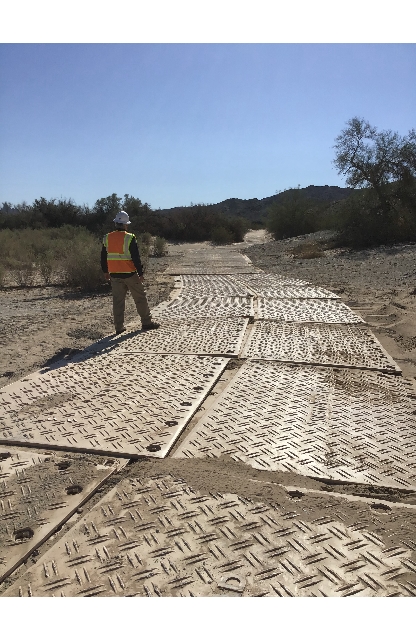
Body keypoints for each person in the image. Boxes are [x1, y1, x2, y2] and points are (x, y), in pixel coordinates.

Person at [101, 211, 160, 335]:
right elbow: (136, 257)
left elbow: (103, 256)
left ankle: (119, 327)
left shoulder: (107, 237)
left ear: (116, 223)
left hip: (114, 274)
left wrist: (105, 271)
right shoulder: (130, 237)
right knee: (140, 298)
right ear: (125, 225)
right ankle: (146, 322)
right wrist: (141, 273)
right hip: (130, 273)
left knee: (118, 301)